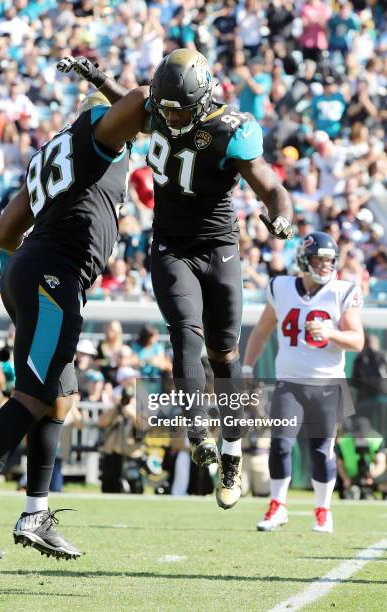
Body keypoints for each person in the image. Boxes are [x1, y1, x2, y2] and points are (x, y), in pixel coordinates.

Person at [65, 49, 293, 511]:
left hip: (219, 247)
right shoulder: (162, 107)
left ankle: (231, 452)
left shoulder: (231, 129)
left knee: (224, 355)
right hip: (171, 245)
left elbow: (269, 185)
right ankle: (196, 428)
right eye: (165, 107)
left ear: (204, 96)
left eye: (178, 108)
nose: (170, 116)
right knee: (184, 334)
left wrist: (281, 216)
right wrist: (100, 77)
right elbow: (134, 104)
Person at [0, 80, 148, 561]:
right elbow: (137, 100)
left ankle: (36, 512)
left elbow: (2, 232)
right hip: (54, 276)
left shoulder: (53, 156)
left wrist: (42, 251)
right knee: (33, 394)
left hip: (31, 270)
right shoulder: (98, 136)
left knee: (61, 399)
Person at [243, 231, 364, 533]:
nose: (325, 266)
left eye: (329, 261)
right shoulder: (281, 287)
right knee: (280, 445)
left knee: (322, 450)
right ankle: (277, 506)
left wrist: (331, 333)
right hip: (290, 383)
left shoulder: (342, 291)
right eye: (318, 260)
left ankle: (323, 511)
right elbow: (261, 331)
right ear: (303, 259)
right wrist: (247, 368)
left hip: (327, 384)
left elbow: (358, 340)